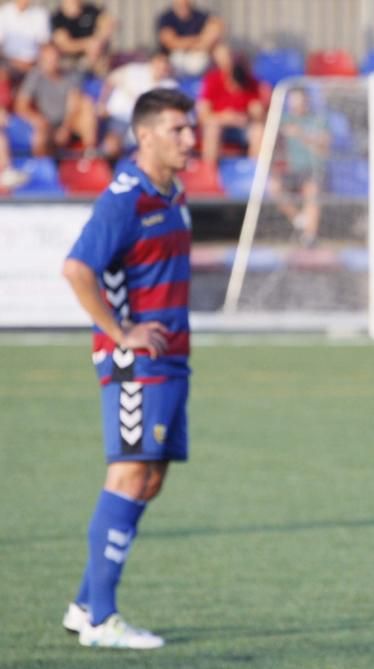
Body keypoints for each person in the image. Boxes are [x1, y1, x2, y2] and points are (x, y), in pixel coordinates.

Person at [60, 87, 196, 649]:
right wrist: (120, 333)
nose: (190, 138)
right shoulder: (123, 199)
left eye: (190, 127)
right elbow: (76, 270)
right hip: (134, 364)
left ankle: (86, 604)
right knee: (129, 474)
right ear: (145, 136)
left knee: (151, 477)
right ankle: (101, 620)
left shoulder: (171, 192)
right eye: (177, 129)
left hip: (171, 362)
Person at [268, 86, 328, 246]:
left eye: (299, 101)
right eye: (293, 101)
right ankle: (300, 220)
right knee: (273, 188)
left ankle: (310, 237)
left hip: (311, 169)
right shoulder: (283, 120)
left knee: (312, 193)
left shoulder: (317, 120)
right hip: (288, 170)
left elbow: (325, 146)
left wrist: (301, 134)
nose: (296, 105)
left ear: (306, 101)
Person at [14, 41, 98, 156]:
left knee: (87, 105)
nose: (51, 62)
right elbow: (20, 105)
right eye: (47, 59)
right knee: (40, 134)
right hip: (47, 122)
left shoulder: (70, 76)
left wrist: (65, 128)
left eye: (54, 58)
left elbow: (74, 104)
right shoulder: (35, 76)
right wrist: (37, 119)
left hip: (69, 121)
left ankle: (90, 158)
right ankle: (42, 166)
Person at [98, 49, 178, 161]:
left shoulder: (170, 86)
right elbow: (111, 80)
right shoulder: (134, 70)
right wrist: (102, 103)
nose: (162, 66)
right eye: (160, 61)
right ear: (153, 61)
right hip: (119, 117)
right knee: (111, 146)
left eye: (165, 62)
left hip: (144, 124)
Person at [196, 41, 266, 166]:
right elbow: (203, 116)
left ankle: (252, 173)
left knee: (259, 131)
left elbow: (260, 117)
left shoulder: (253, 83)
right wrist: (225, 118)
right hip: (220, 126)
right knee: (212, 129)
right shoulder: (212, 80)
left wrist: (254, 115)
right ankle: (209, 172)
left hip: (243, 128)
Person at [156, 0, 223, 78]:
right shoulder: (166, 18)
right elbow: (170, 43)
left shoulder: (201, 16)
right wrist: (199, 40)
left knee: (221, 51)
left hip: (200, 56)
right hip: (174, 59)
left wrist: (196, 44)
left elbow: (216, 28)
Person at [50, 0, 115, 76]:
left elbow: (107, 22)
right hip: (71, 60)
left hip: (95, 55)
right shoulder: (58, 18)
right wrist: (87, 45)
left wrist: (98, 40)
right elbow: (64, 45)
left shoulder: (90, 10)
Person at [0, 0, 50, 80]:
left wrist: (35, 63)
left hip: (34, 64)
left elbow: (44, 44)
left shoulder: (40, 13)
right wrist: (16, 63)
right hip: (8, 63)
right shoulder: (3, 13)